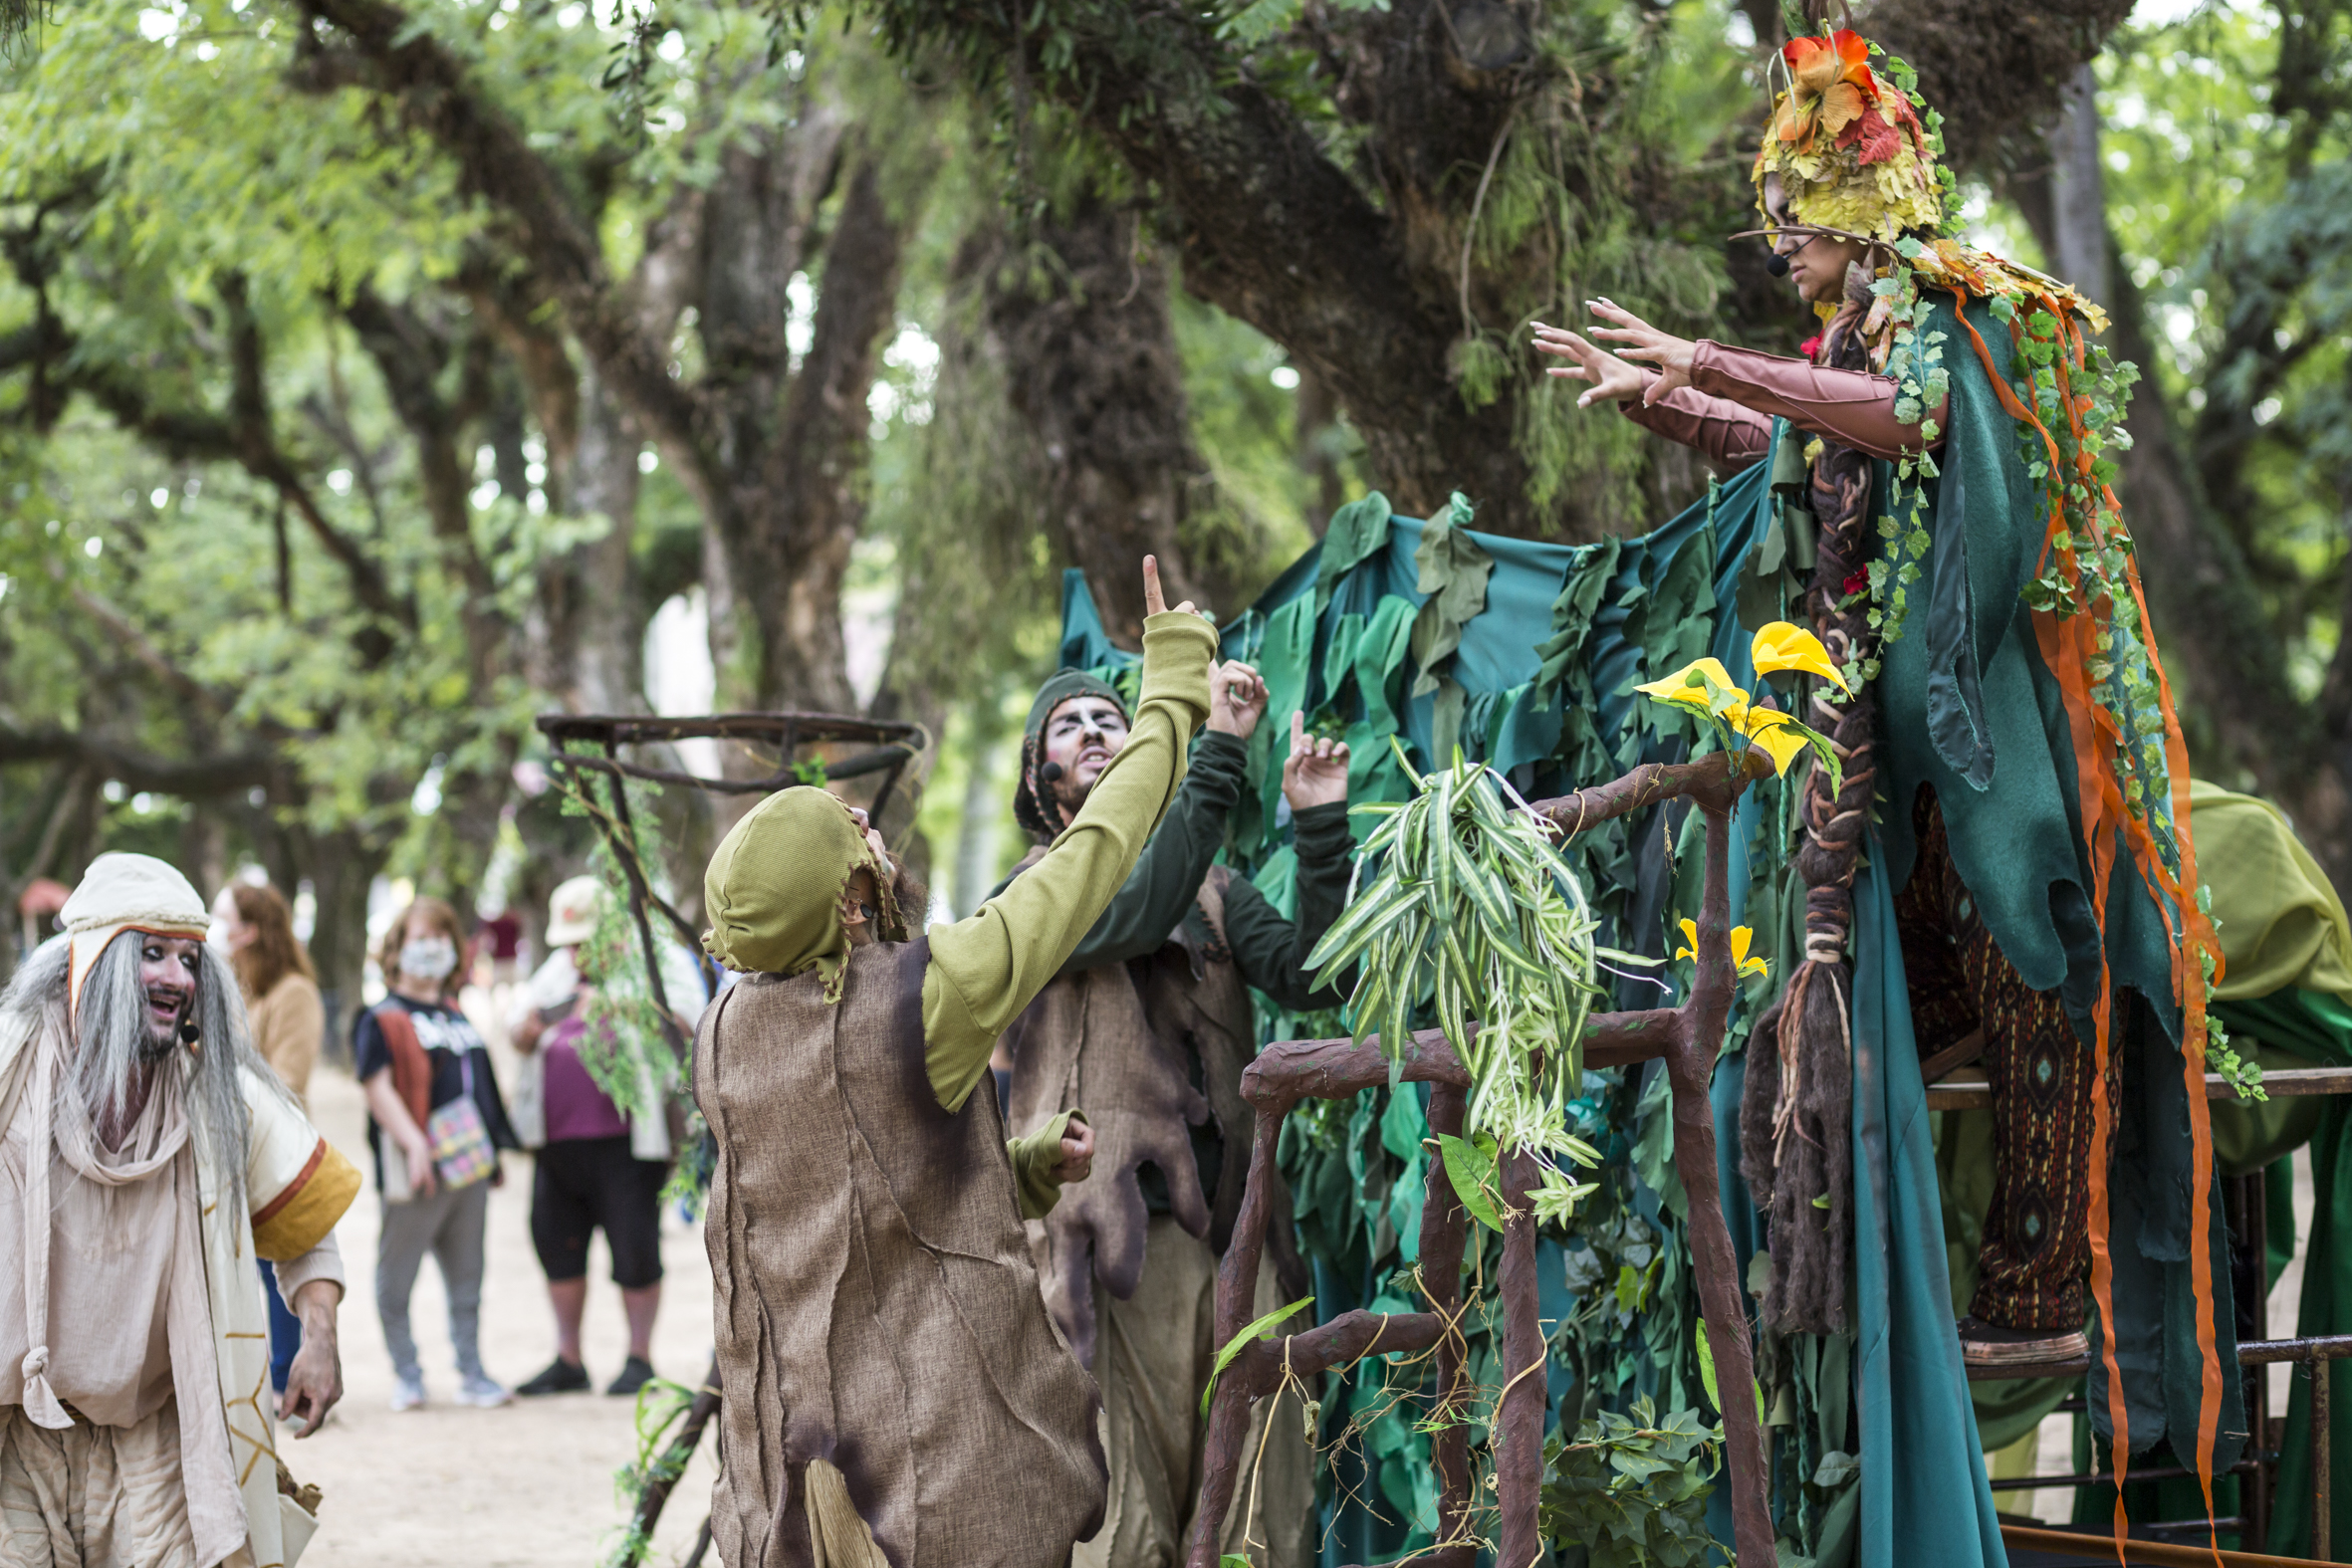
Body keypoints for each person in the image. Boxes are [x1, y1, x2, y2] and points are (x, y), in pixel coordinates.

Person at [1534, 23, 2214, 1379]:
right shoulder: (1846, 332)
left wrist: (1709, 360)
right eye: (1770, 213)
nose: (1775, 234)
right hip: (1876, 739)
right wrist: (1665, 401)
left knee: (2034, 938)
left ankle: (2039, 1296)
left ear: (1856, 200)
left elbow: (1905, 418)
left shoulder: (1948, 306)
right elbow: (1802, 437)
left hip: (1978, 724)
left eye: (1791, 210)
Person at [693, 557, 1212, 1568]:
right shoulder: (929, 992)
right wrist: (1176, 682)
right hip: (939, 1471)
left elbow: (841, 1195)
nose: (874, 838)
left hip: (796, 1487)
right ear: (845, 901)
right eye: (853, 840)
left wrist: (1012, 1171)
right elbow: (1096, 849)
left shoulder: (725, 1032)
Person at [997, 668, 1352, 1568]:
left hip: (1233, 1248)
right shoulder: (1034, 893)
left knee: (1255, 1520)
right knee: (1120, 1531)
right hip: (1096, 1266)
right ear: (1038, 774)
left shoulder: (1216, 891)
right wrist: (1219, 748)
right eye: (1066, 725)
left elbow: (1319, 976)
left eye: (1112, 720)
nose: (1092, 731)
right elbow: (1135, 910)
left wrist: (1318, 825)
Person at [0, 852, 357, 1567]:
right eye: (152, 953)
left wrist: (318, 1335)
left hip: (158, 1435)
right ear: (90, 964)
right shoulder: (8, 1068)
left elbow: (305, 1224)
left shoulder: (219, 1094)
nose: (177, 979)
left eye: (190, 959)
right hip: (17, 1438)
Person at [355, 896, 520, 1411]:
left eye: (441, 938)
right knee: (395, 1278)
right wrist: (413, 1143)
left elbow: (481, 1086)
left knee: (467, 1277)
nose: (432, 949)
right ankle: (407, 1374)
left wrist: (494, 1149)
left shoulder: (456, 1013)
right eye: (419, 939)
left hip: (468, 1166)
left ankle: (472, 1372)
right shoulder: (381, 1017)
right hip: (419, 1166)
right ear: (397, 949)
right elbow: (376, 1086)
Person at [512, 874, 668, 1399]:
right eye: (570, 943)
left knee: (635, 1248)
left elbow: (685, 1026)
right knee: (557, 1245)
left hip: (626, 1143)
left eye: (585, 942)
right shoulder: (552, 977)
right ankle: (568, 1358)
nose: (576, 953)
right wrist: (529, 1030)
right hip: (558, 1143)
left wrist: (629, 1013)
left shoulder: (650, 969)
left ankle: (639, 1357)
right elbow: (518, 1028)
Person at [216, 879, 328, 1401]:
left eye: (224, 918)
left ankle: (293, 1381)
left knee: (287, 1278)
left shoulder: (294, 994)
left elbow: (289, 1080)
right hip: (239, 1154)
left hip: (277, 1158)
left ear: (251, 931)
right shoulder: (245, 992)